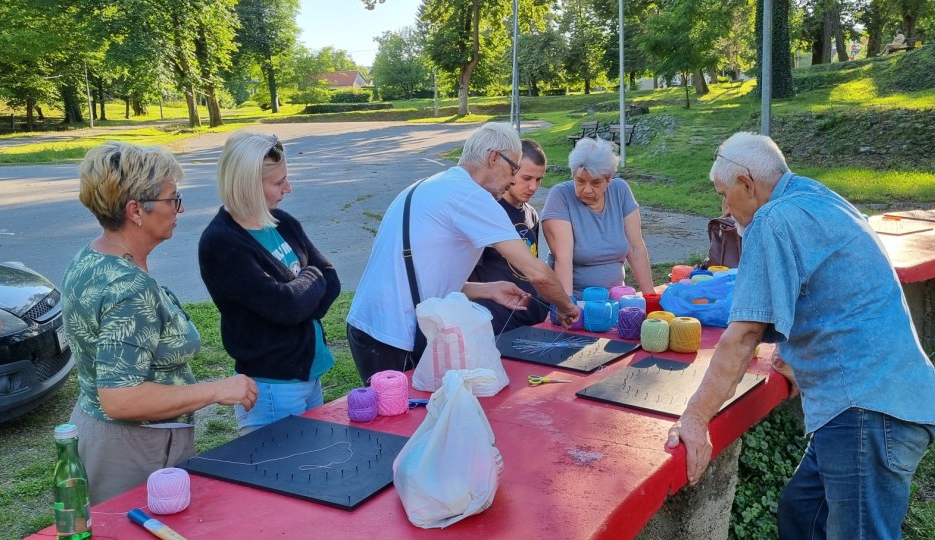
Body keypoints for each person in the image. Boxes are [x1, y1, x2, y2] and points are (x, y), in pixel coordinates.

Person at [665, 132, 935, 539]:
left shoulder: (772, 220)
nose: (724, 208)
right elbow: (835, 293)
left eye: (724, 194)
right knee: (802, 514)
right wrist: (797, 356)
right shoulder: (819, 199)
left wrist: (694, 417)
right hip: (886, 397)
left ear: (746, 183)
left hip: (866, 410)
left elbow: (743, 336)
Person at [62, 141, 257, 504]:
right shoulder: (127, 288)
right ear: (136, 210)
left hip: (107, 434)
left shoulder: (94, 255)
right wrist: (216, 390)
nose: (180, 208)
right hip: (134, 447)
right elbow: (120, 399)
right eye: (173, 199)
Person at [346, 123, 579, 383]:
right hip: (392, 333)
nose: (513, 179)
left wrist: (486, 289)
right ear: (493, 158)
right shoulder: (472, 196)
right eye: (513, 169)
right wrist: (566, 306)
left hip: (372, 324)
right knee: (400, 418)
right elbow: (536, 272)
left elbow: (427, 273)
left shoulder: (434, 184)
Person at [198, 131, 341, 435]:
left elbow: (333, 281)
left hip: (308, 377)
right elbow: (287, 306)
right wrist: (311, 276)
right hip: (273, 389)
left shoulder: (282, 222)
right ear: (247, 186)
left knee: (313, 466)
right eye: (278, 183)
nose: (288, 188)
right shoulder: (222, 244)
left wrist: (301, 295)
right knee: (289, 475)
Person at [541, 136, 656, 298]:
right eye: (580, 181)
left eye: (595, 183)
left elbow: (636, 248)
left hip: (615, 297)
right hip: (578, 299)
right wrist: (568, 306)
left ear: (609, 179)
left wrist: (650, 297)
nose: (587, 189)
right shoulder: (560, 196)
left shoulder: (620, 190)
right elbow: (563, 258)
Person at [468, 138, 551, 334]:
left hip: (531, 319)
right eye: (527, 178)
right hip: (496, 324)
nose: (533, 187)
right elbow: (467, 274)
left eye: (539, 180)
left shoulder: (531, 213)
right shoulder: (488, 212)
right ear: (512, 171)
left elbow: (530, 265)